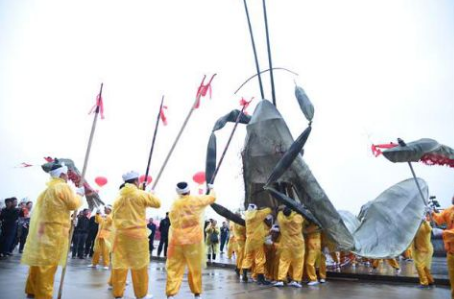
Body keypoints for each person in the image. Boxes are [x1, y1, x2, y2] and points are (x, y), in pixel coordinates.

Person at [21, 163, 83, 299]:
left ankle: (31, 290)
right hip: (55, 232)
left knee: (38, 262)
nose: (67, 177)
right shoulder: (62, 186)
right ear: (62, 175)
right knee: (48, 265)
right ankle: (43, 295)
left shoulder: (48, 189)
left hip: (43, 231)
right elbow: (73, 204)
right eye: (66, 174)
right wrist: (79, 194)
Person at [110, 171, 161, 299]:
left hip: (121, 235)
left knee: (120, 264)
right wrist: (149, 193)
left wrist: (142, 191)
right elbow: (157, 203)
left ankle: (118, 293)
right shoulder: (140, 194)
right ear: (136, 181)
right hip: (137, 235)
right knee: (139, 265)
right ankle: (141, 294)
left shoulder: (118, 198)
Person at [165, 182, 216, 299]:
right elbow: (212, 198)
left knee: (174, 268)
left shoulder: (174, 205)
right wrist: (211, 189)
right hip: (193, 241)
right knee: (194, 268)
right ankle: (197, 294)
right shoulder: (195, 200)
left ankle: (170, 294)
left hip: (177, 240)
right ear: (189, 190)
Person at [241, 203, 272, 284]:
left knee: (248, 257)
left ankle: (244, 274)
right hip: (258, 240)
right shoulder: (258, 215)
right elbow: (269, 209)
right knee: (260, 259)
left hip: (249, 240)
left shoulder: (247, 216)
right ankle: (260, 278)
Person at [273, 207, 304, 288]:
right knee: (298, 262)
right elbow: (302, 215)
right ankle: (296, 280)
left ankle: (281, 280)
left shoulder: (281, 219)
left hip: (286, 243)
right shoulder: (298, 218)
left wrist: (281, 210)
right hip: (298, 243)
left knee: (284, 261)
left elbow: (280, 213)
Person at [432, 195, 454, 297]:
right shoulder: (450, 210)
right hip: (451, 253)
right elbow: (439, 219)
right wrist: (432, 212)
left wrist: (443, 233)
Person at [412, 215, 434, 288]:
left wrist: (424, 221)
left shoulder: (425, 223)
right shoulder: (415, 224)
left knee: (419, 266)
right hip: (417, 249)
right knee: (423, 266)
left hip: (424, 250)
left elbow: (429, 230)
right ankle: (430, 281)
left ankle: (424, 282)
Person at [88, 204, 113, 269]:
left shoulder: (112, 216)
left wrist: (106, 216)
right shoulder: (104, 217)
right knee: (97, 250)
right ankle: (94, 263)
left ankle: (106, 265)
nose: (104, 209)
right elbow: (97, 220)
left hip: (107, 235)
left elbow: (111, 221)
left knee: (105, 251)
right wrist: (97, 213)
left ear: (109, 210)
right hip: (100, 234)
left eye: (105, 208)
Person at [304, 221, 323, 286]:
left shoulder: (315, 226)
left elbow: (306, 231)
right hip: (312, 246)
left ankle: (313, 279)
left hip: (314, 246)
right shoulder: (316, 225)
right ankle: (312, 278)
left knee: (309, 263)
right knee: (311, 263)